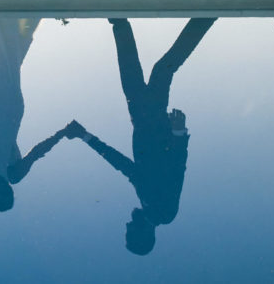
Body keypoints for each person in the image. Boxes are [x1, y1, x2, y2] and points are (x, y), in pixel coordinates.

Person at [65, 17, 217, 254]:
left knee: (155, 70)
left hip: (142, 118)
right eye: (129, 230)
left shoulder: (147, 203)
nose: (127, 224)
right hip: (153, 123)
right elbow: (177, 170)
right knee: (161, 69)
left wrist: (86, 136)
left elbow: (124, 166)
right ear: (142, 233)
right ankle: (204, 17)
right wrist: (178, 133)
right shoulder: (163, 213)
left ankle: (121, 21)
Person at [0, 17, 72, 211]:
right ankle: (9, 17)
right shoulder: (12, 175)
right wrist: (62, 133)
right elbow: (36, 153)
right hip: (9, 109)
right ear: (8, 192)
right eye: (2, 195)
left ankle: (3, 18)